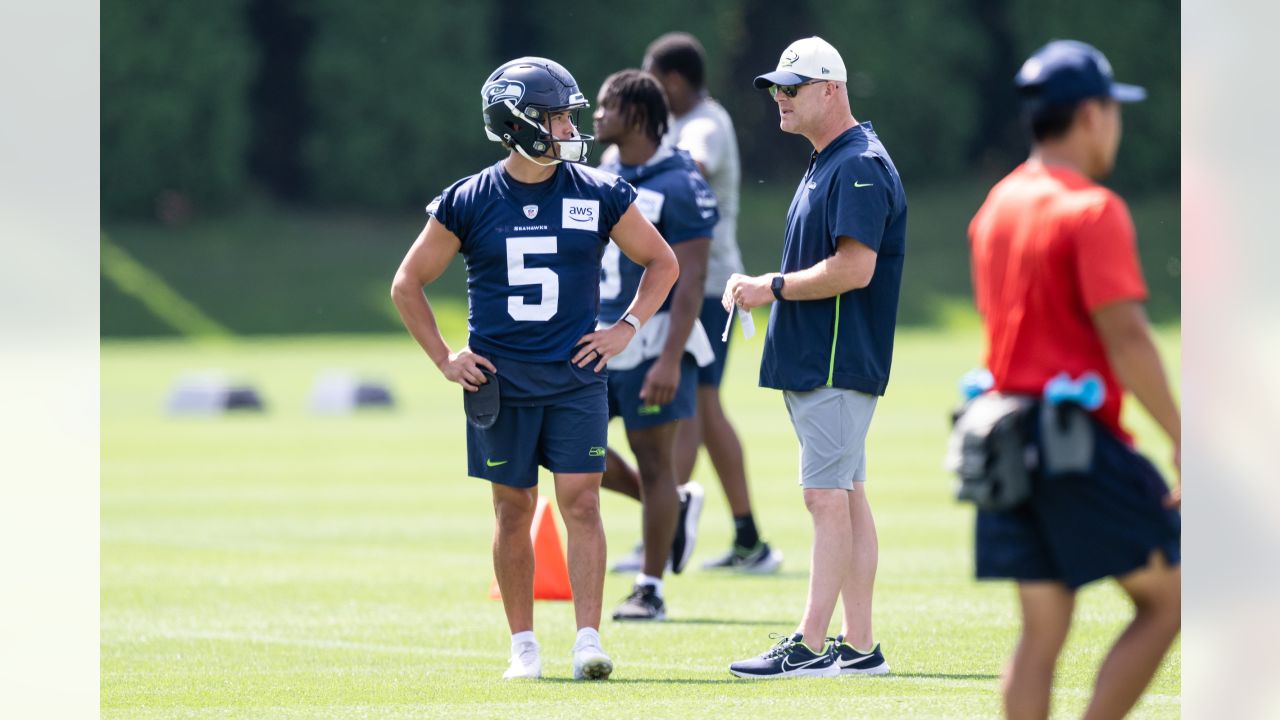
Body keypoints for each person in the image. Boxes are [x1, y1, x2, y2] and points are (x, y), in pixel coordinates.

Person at [389, 57, 677, 681]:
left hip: (575, 377)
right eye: (556, 116)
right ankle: (523, 645)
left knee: (583, 503)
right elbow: (407, 283)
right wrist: (445, 357)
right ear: (518, 124)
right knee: (513, 509)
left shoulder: (599, 191)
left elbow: (662, 262)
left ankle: (588, 639)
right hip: (502, 382)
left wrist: (624, 328)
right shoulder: (469, 199)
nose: (570, 126)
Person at [966, 40, 1181, 718]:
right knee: (1172, 597)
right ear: (1090, 114)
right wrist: (1184, 434)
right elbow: (1126, 336)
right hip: (1072, 443)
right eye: (1113, 111)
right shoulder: (1092, 209)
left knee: (1042, 631)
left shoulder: (995, 207)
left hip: (1000, 440)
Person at [723, 36, 905, 679]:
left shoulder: (856, 163)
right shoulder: (832, 158)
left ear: (831, 89)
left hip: (835, 360)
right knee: (847, 496)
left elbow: (855, 269)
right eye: (776, 87)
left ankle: (808, 642)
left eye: (792, 87)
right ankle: (858, 647)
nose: (780, 97)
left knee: (825, 498)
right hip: (824, 360)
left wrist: (768, 287)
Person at [644, 31, 782, 574]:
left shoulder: (704, 123)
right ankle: (747, 537)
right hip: (690, 284)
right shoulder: (680, 121)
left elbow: (693, 165)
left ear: (673, 81)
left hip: (707, 284)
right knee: (702, 406)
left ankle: (666, 526)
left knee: (692, 407)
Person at [591, 69, 719, 621]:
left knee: (654, 461)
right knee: (574, 451)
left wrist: (669, 359)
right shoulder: (603, 173)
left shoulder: (680, 180)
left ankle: (651, 587)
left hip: (658, 339)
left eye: (605, 106)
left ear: (636, 114)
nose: (596, 116)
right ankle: (671, 509)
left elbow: (691, 278)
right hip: (602, 335)